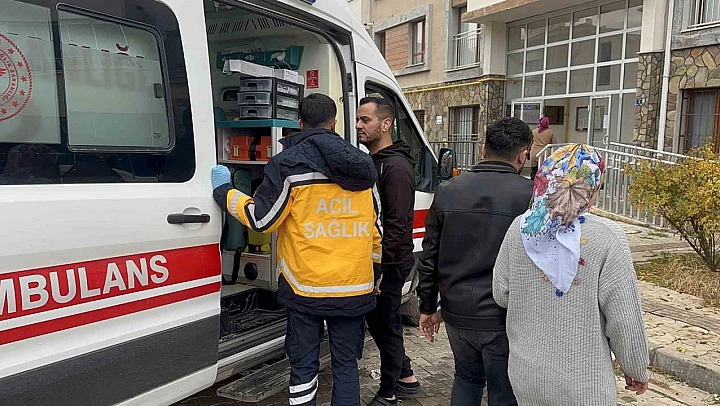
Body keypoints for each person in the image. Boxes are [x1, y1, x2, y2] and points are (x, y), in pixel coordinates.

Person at [211, 93, 383, 406]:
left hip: (306, 289)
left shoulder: (287, 164)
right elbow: (375, 230)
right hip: (354, 288)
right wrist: (375, 271)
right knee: (346, 366)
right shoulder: (363, 167)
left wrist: (225, 192)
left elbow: (262, 220)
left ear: (300, 124)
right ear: (334, 123)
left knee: (304, 368)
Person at [493, 144, 649, 406]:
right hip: (584, 382)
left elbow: (501, 293)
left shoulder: (520, 228)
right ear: (592, 186)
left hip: (527, 375)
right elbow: (624, 317)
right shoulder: (608, 237)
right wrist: (635, 367)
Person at [416, 117, 534, 406]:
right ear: (522, 156)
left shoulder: (447, 190)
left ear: (483, 149)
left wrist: (428, 307)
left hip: (457, 311)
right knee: (504, 390)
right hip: (505, 314)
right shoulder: (531, 196)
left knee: (466, 378)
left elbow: (429, 255)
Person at [356, 97, 420, 405]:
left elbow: (397, 224)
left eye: (365, 120)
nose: (358, 125)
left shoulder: (395, 167)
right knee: (381, 323)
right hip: (377, 262)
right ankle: (405, 376)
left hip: (389, 264)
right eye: (358, 119)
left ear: (386, 124)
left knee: (387, 325)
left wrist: (381, 268)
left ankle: (388, 392)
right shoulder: (373, 161)